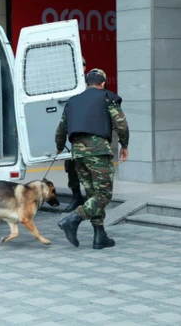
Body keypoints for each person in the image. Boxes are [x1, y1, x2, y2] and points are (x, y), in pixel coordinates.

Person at [54, 68, 129, 249]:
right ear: (103, 83)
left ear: (87, 84)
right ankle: (73, 219)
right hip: (98, 152)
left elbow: (61, 128)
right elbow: (121, 124)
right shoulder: (107, 97)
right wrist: (124, 145)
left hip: (78, 155)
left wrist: (58, 146)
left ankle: (99, 236)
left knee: (92, 195)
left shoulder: (73, 101)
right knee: (103, 195)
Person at [63, 56, 87, 212]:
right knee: (70, 165)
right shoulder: (65, 83)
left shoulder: (90, 84)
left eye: (82, 65)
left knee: (87, 166)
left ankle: (90, 199)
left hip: (86, 132)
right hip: (71, 131)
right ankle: (76, 195)